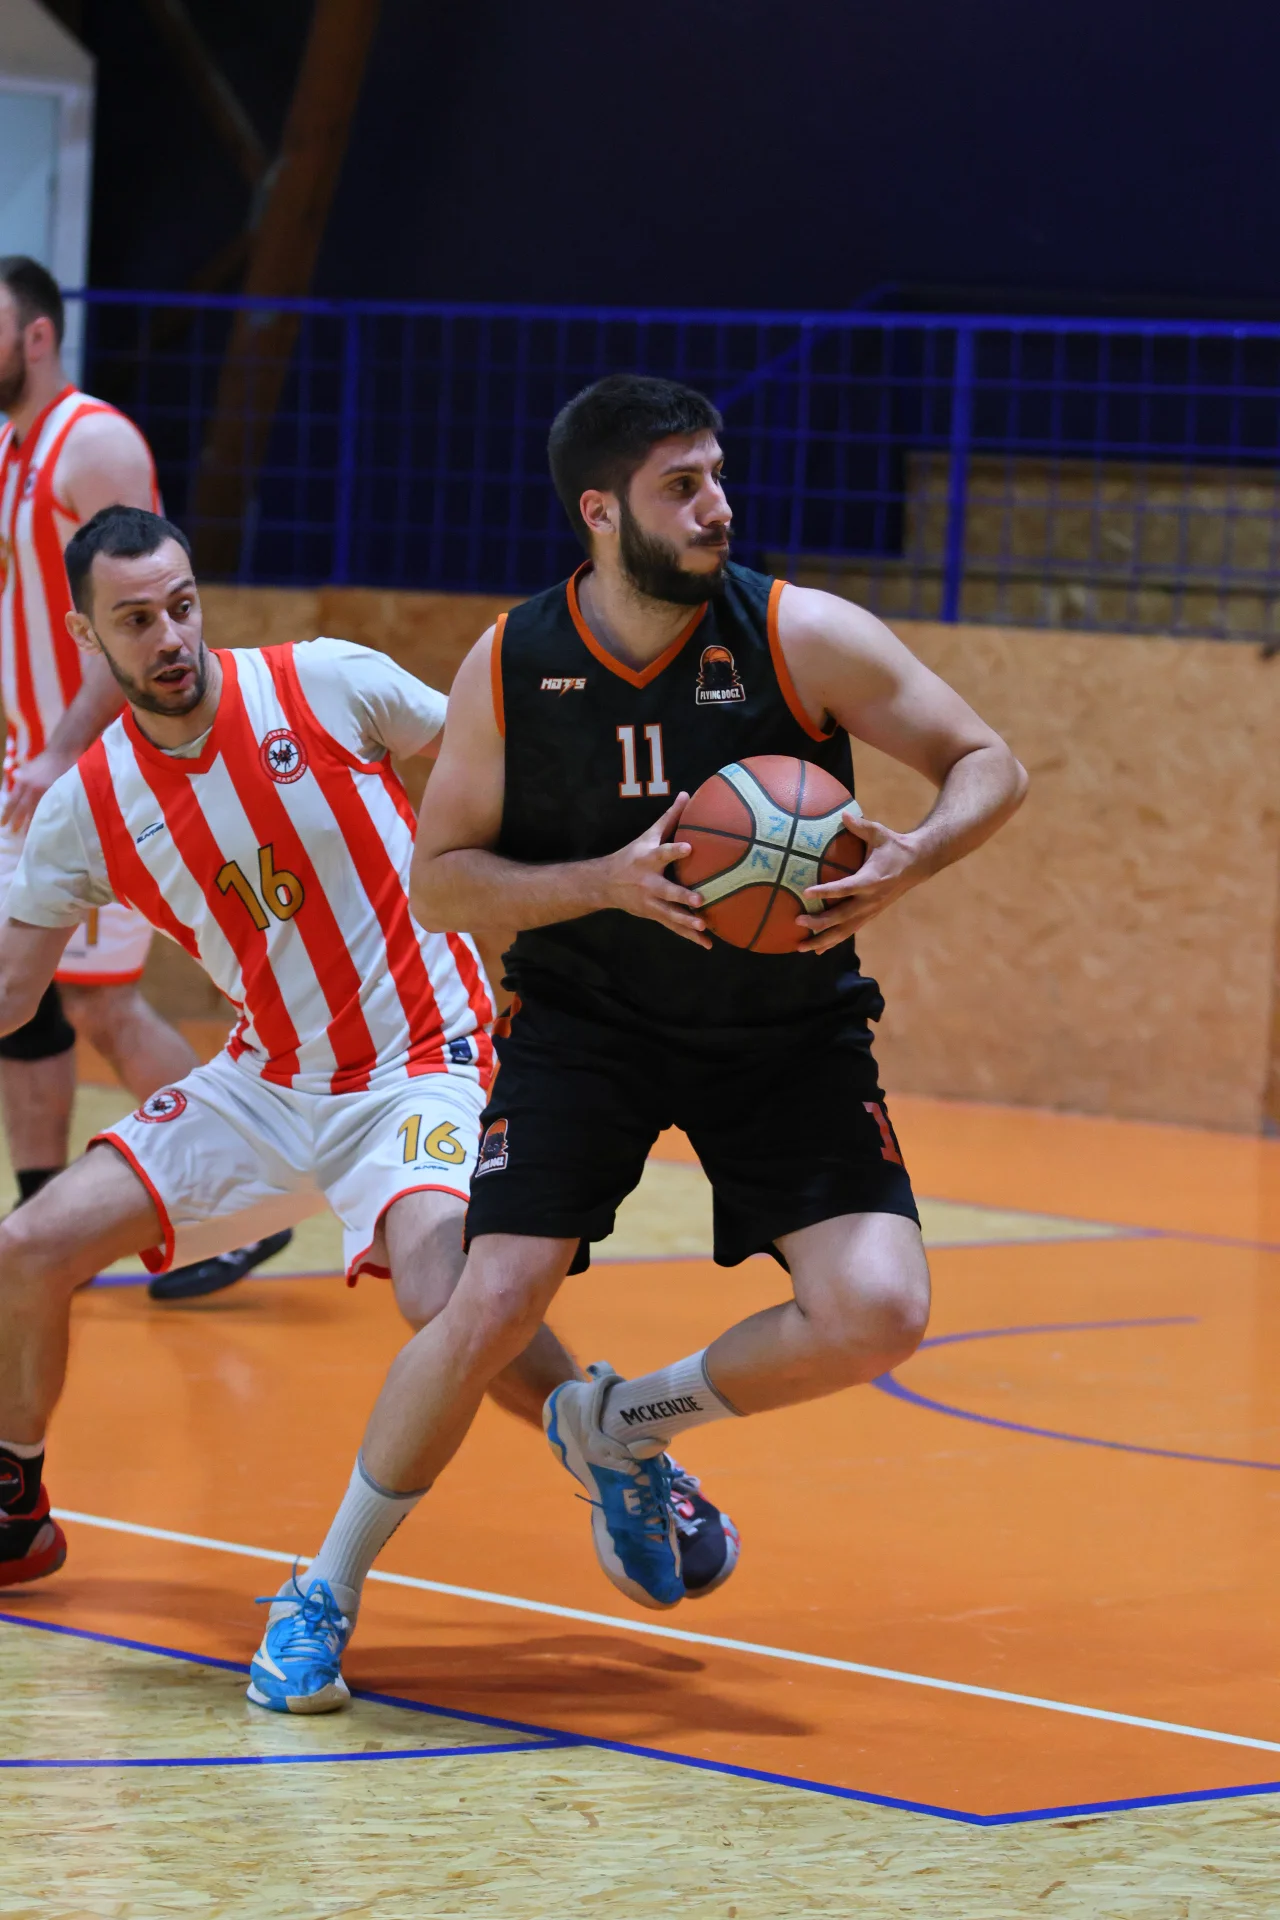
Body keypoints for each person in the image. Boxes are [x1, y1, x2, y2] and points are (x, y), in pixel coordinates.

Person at [254, 369, 1025, 1711]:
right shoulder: (513, 662)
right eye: (682, 486)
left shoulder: (796, 634)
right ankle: (319, 1592)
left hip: (784, 1029)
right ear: (601, 511)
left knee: (879, 1311)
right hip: (590, 1024)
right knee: (489, 1301)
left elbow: (987, 762)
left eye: (717, 475)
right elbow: (440, 882)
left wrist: (914, 855)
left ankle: (617, 1426)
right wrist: (600, 883)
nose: (717, 504)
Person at [0, 504, 738, 1705]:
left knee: (440, 1291)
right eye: (135, 621)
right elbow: (13, 990)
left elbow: (504, 769)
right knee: (27, 1247)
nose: (170, 636)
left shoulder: (326, 684)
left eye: (181, 606)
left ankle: (606, 1444)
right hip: (266, 1080)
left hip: (419, 1058)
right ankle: (14, 1501)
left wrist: (594, 884)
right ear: (88, 636)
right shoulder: (88, 803)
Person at [0, 256, 284, 1299]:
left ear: (37, 334)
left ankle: (244, 1209)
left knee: (100, 1003)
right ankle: (40, 1217)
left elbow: (137, 614)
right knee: (34, 1009)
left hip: (92, 770)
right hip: (32, 767)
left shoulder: (94, 443)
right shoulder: (10, 452)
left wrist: (64, 749)